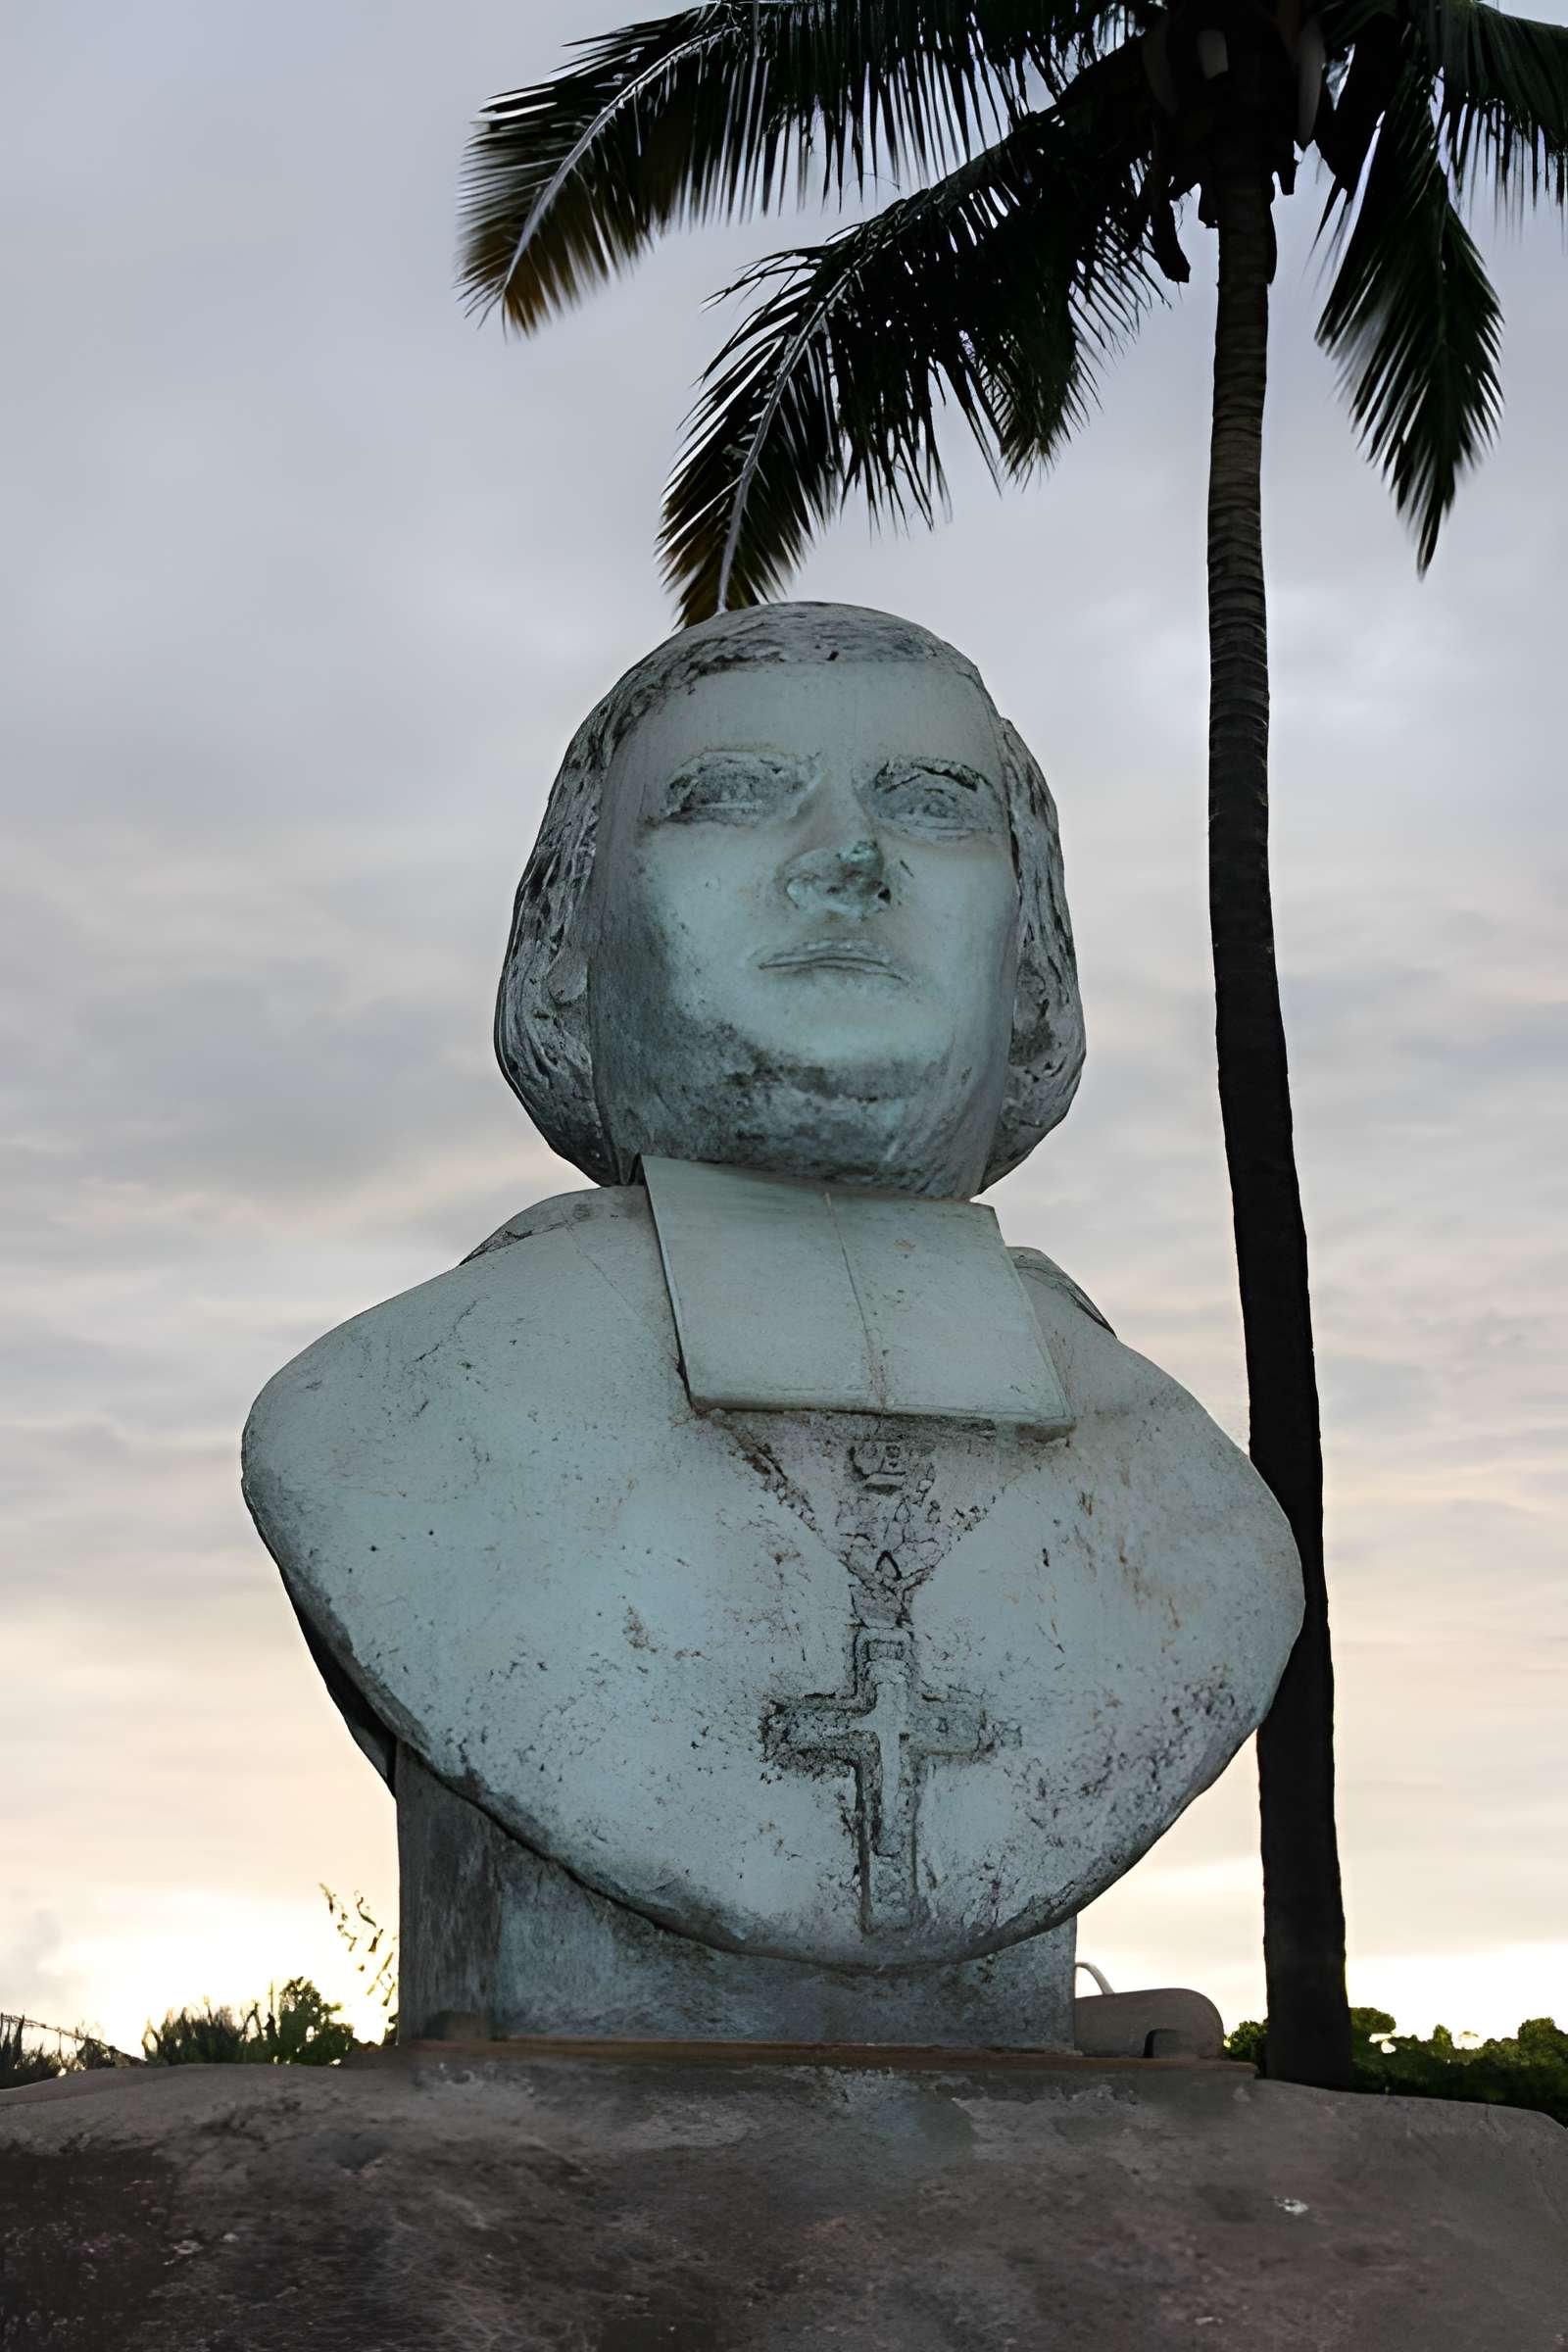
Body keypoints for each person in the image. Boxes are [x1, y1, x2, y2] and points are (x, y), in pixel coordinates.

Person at [244, 603, 1300, 2044]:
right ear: (568, 944)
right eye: (733, 801)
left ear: (1035, 957)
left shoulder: (1195, 1519)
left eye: (932, 810)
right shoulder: (381, 1425)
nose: (849, 862)